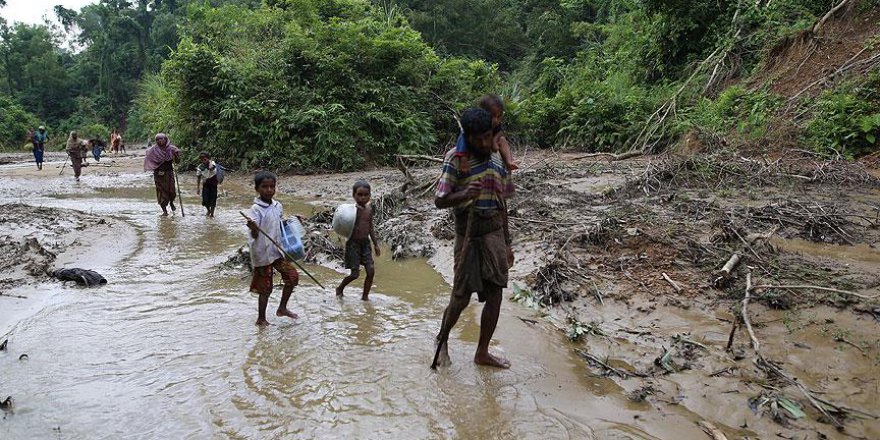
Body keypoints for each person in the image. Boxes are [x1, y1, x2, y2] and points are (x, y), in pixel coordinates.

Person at [434, 107, 515, 369]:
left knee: (496, 292)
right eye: (477, 139)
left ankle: (482, 352)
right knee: (461, 296)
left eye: (487, 137)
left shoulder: (496, 158)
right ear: (467, 136)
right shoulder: (455, 159)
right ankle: (442, 340)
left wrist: (507, 242)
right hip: (467, 232)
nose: (483, 143)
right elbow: (440, 200)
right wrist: (466, 193)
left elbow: (502, 202)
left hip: (493, 231)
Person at [244, 171, 299, 326]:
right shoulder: (255, 209)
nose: (269, 190)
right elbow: (254, 235)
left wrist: (293, 221)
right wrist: (253, 228)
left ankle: (282, 308)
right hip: (262, 254)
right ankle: (261, 319)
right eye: (264, 187)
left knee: (292, 276)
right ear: (257, 188)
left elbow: (279, 224)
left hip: (276, 251)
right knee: (265, 288)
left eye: (272, 186)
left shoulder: (277, 205)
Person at [335, 180, 381, 300]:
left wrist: (376, 245)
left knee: (371, 271)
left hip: (365, 244)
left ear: (370, 195)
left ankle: (365, 297)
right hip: (353, 244)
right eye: (359, 195)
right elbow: (342, 225)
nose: (363, 198)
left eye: (366, 195)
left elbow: (370, 227)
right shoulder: (350, 212)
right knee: (355, 274)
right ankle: (340, 288)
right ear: (353, 195)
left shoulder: (369, 210)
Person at [454, 95, 518, 171]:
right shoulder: (475, 125)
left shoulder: (496, 125)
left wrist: (494, 141)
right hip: (470, 156)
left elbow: (499, 132)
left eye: (499, 116)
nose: (496, 120)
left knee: (502, 139)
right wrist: (463, 159)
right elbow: (463, 138)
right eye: (493, 116)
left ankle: (509, 162)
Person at [143, 133, 180, 216]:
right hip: (158, 175)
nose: (159, 141)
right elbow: (149, 160)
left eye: (161, 139)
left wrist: (176, 155)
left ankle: (171, 202)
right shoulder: (153, 150)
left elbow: (177, 161)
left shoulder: (171, 149)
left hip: (169, 173)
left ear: (165, 139)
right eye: (157, 140)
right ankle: (165, 211)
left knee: (172, 191)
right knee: (161, 193)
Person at [195, 151, 219, 217]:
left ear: (208, 159)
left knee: (213, 199)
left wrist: (210, 161)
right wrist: (198, 188)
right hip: (206, 184)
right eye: (202, 160)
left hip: (213, 184)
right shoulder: (200, 167)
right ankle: (208, 210)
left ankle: (212, 214)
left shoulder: (212, 163)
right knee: (205, 200)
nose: (203, 161)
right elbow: (198, 178)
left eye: (205, 159)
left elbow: (211, 168)